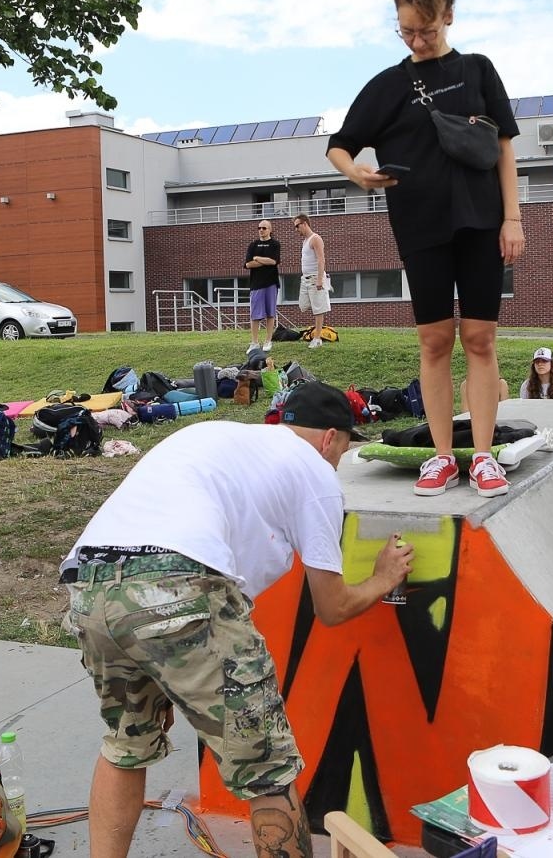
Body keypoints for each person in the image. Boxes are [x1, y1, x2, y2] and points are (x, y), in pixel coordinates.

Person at [60, 381, 413, 858]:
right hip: (178, 583)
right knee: (268, 768)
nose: (338, 461)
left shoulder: (222, 439)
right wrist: (382, 578)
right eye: (344, 449)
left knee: (127, 745)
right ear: (331, 438)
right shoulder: (315, 472)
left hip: (92, 583)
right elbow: (332, 607)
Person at [325, 0, 523, 499]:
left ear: (447, 17)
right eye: (406, 32)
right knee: (435, 341)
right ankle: (441, 456)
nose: (417, 41)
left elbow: (505, 146)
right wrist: (357, 175)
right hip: (420, 226)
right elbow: (338, 146)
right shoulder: (388, 85)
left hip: (483, 223)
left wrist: (513, 217)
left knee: (480, 338)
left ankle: (482, 456)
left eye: (426, 31)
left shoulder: (478, 69)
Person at [293, 213, 330, 349]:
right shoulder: (305, 241)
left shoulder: (316, 238)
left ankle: (318, 337)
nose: (296, 229)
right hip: (305, 279)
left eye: (297, 226)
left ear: (305, 223)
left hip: (315, 277)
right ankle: (316, 330)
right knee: (303, 305)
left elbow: (321, 259)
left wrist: (320, 279)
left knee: (318, 308)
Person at [246, 220, 283, 352]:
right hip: (256, 284)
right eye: (259, 228)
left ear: (270, 230)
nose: (261, 230)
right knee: (255, 314)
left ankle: (268, 340)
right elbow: (248, 264)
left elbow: (273, 261)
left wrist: (257, 258)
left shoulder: (275, 244)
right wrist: (263, 261)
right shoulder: (253, 245)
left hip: (271, 283)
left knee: (270, 313)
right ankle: (254, 342)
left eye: (264, 228)